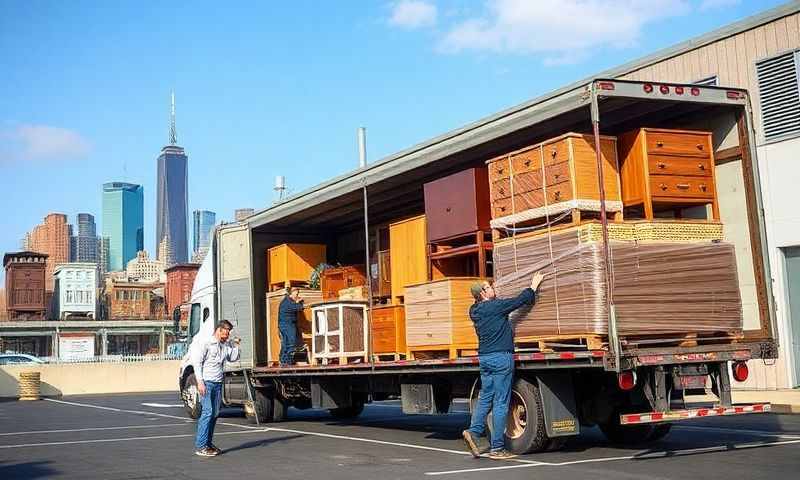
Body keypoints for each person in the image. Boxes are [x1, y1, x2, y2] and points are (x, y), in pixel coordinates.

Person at [462, 272, 544, 460]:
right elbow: (519, 301)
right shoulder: (495, 307)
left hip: (485, 359)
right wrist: (533, 286)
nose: (493, 289)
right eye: (489, 287)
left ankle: (473, 432)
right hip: (501, 358)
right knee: (500, 403)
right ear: (482, 293)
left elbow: (493, 305)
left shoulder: (474, 311)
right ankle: (497, 448)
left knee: (485, 399)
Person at [191, 319, 240, 457]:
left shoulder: (225, 345)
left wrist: (235, 345)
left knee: (215, 413)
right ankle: (201, 445)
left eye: (229, 333)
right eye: (225, 333)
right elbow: (197, 363)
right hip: (206, 382)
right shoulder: (206, 343)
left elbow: (233, 358)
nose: (227, 336)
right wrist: (200, 382)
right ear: (219, 330)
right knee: (207, 412)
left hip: (218, 383)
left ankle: (208, 443)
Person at [278, 287, 305, 365]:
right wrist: (300, 302)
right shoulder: (289, 302)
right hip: (287, 324)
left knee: (285, 343)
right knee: (291, 343)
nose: (297, 295)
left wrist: (297, 302)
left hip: (284, 324)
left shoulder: (287, 301)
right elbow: (299, 308)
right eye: (296, 294)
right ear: (291, 293)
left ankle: (283, 360)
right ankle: (287, 361)